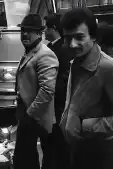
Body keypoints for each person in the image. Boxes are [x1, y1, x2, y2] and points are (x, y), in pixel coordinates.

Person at [60, 8, 113, 169]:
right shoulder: (76, 62)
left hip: (99, 154)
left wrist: (84, 126)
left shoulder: (110, 68)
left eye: (79, 37)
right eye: (68, 38)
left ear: (93, 36)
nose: (72, 44)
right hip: (76, 148)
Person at [13, 14, 58, 169]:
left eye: (30, 31)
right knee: (24, 156)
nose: (25, 34)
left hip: (35, 117)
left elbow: (47, 90)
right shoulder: (29, 51)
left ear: (39, 33)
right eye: (23, 30)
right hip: (26, 115)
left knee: (25, 158)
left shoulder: (45, 54)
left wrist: (29, 115)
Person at [44, 14, 71, 169]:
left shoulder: (63, 48)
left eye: (46, 27)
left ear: (53, 29)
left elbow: (63, 78)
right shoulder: (52, 47)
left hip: (57, 105)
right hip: (52, 105)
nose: (44, 31)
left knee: (56, 147)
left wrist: (49, 89)